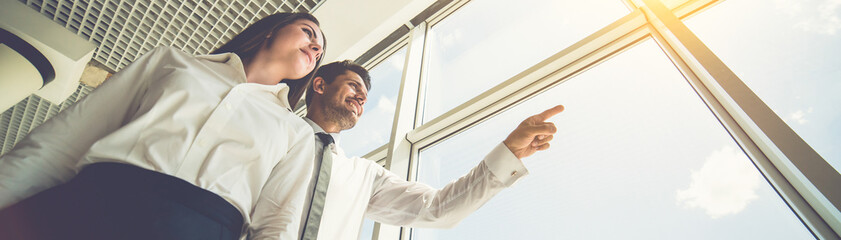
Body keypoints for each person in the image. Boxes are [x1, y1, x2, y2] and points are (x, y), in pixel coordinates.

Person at [0, 12, 325, 240]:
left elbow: (276, 228)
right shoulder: (171, 62)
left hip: (200, 229)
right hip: (92, 199)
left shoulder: (295, 133)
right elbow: (64, 141)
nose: (314, 47)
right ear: (272, 29)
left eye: (319, 50)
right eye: (308, 32)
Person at [249, 60, 564, 239]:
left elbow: (439, 208)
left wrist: (508, 152)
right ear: (319, 86)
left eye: (365, 96)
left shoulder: (364, 176)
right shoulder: (271, 131)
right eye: (354, 86)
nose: (361, 98)